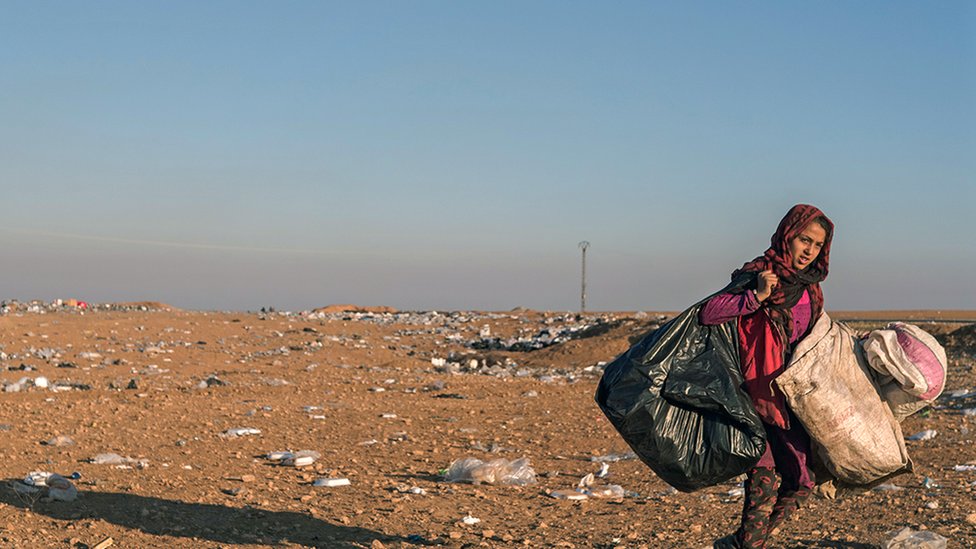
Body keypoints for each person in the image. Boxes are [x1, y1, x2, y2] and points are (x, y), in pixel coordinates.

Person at [702, 204, 834, 549]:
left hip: (790, 398)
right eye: (804, 240)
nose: (809, 250)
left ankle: (741, 543)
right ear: (788, 235)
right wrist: (755, 297)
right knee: (764, 476)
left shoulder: (811, 288)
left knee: (803, 481)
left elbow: (814, 337)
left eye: (817, 245)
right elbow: (709, 312)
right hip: (751, 393)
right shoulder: (758, 273)